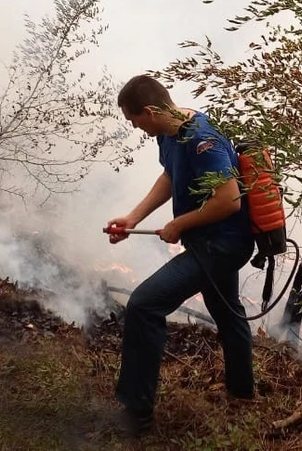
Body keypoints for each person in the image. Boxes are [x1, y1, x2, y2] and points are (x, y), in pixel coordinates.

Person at [106, 74, 255, 434]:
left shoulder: (204, 141)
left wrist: (180, 224)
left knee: (143, 305)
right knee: (227, 311)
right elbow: (170, 178)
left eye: (135, 121)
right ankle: (242, 392)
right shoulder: (169, 134)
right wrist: (134, 217)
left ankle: (136, 413)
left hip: (222, 246)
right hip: (207, 242)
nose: (137, 128)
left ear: (151, 111)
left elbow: (230, 200)